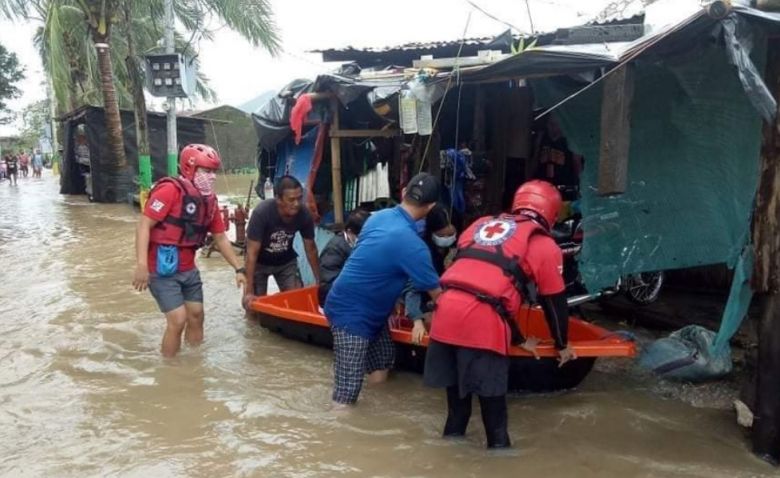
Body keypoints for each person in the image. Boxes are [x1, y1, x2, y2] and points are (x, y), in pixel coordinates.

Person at [424, 180, 577, 449]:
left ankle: (446, 462)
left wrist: (518, 339)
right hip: (482, 325)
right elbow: (555, 303)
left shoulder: (478, 225)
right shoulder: (544, 245)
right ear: (551, 213)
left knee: (456, 414)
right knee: (495, 424)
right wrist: (563, 345)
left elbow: (484, 281)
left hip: (444, 316)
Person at [324, 173, 443, 406]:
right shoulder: (413, 245)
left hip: (368, 309)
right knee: (347, 391)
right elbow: (440, 297)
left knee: (383, 361)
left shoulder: (380, 217)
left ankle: (374, 413)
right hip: (351, 314)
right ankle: (340, 435)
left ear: (403, 194)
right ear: (431, 206)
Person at [132, 144, 247, 357]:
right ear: (189, 168)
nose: (211, 177)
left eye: (214, 171)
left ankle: (194, 366)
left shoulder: (209, 201)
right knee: (177, 320)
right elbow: (144, 225)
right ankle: (170, 371)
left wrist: (239, 269)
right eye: (205, 171)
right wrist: (141, 265)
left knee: (196, 315)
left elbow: (221, 238)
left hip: (188, 269)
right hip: (161, 270)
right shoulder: (170, 191)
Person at [243, 175, 320, 304]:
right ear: (278, 199)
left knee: (297, 302)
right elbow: (251, 254)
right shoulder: (262, 213)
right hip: (259, 264)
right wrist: (249, 291)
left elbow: (311, 249)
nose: (296, 204)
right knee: (253, 307)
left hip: (286, 262)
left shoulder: (304, 215)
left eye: (299, 198)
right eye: (291, 200)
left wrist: (319, 281)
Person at [317, 209, 370, 305]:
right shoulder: (334, 249)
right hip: (334, 302)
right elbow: (329, 283)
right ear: (349, 232)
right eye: (363, 237)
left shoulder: (367, 246)